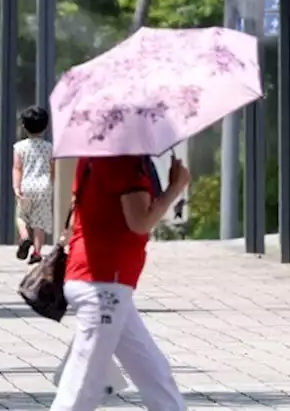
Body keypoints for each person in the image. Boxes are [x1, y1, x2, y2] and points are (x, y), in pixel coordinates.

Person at [51, 151, 191, 411]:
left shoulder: (94, 155)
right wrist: (175, 188)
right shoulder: (124, 160)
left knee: (153, 370)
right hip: (104, 284)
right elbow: (139, 222)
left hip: (101, 281)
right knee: (82, 386)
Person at [13, 105, 54, 263]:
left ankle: (24, 237)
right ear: (45, 126)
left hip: (26, 185)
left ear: (24, 126)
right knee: (40, 222)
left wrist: (16, 187)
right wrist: (51, 182)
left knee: (21, 215)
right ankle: (37, 253)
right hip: (43, 186)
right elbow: (52, 168)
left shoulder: (19, 147)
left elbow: (17, 168)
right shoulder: (49, 147)